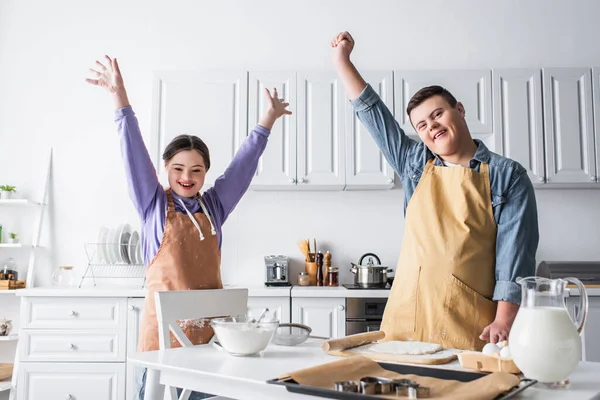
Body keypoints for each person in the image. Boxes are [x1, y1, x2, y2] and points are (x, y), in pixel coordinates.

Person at [86, 55, 291, 399]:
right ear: (165, 167)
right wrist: (119, 99)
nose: (186, 177)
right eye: (178, 168)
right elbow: (133, 152)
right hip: (162, 344)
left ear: (206, 174)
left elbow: (242, 167)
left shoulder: (214, 206)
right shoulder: (153, 205)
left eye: (197, 170)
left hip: (211, 342)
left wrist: (267, 120)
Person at [330, 32, 539, 351]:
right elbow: (374, 116)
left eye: (437, 114)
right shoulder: (414, 164)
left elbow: (515, 257)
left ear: (460, 109)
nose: (432, 127)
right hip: (404, 322)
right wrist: (342, 61)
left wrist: (504, 319)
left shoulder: (507, 175)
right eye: (422, 125)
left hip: (469, 326)